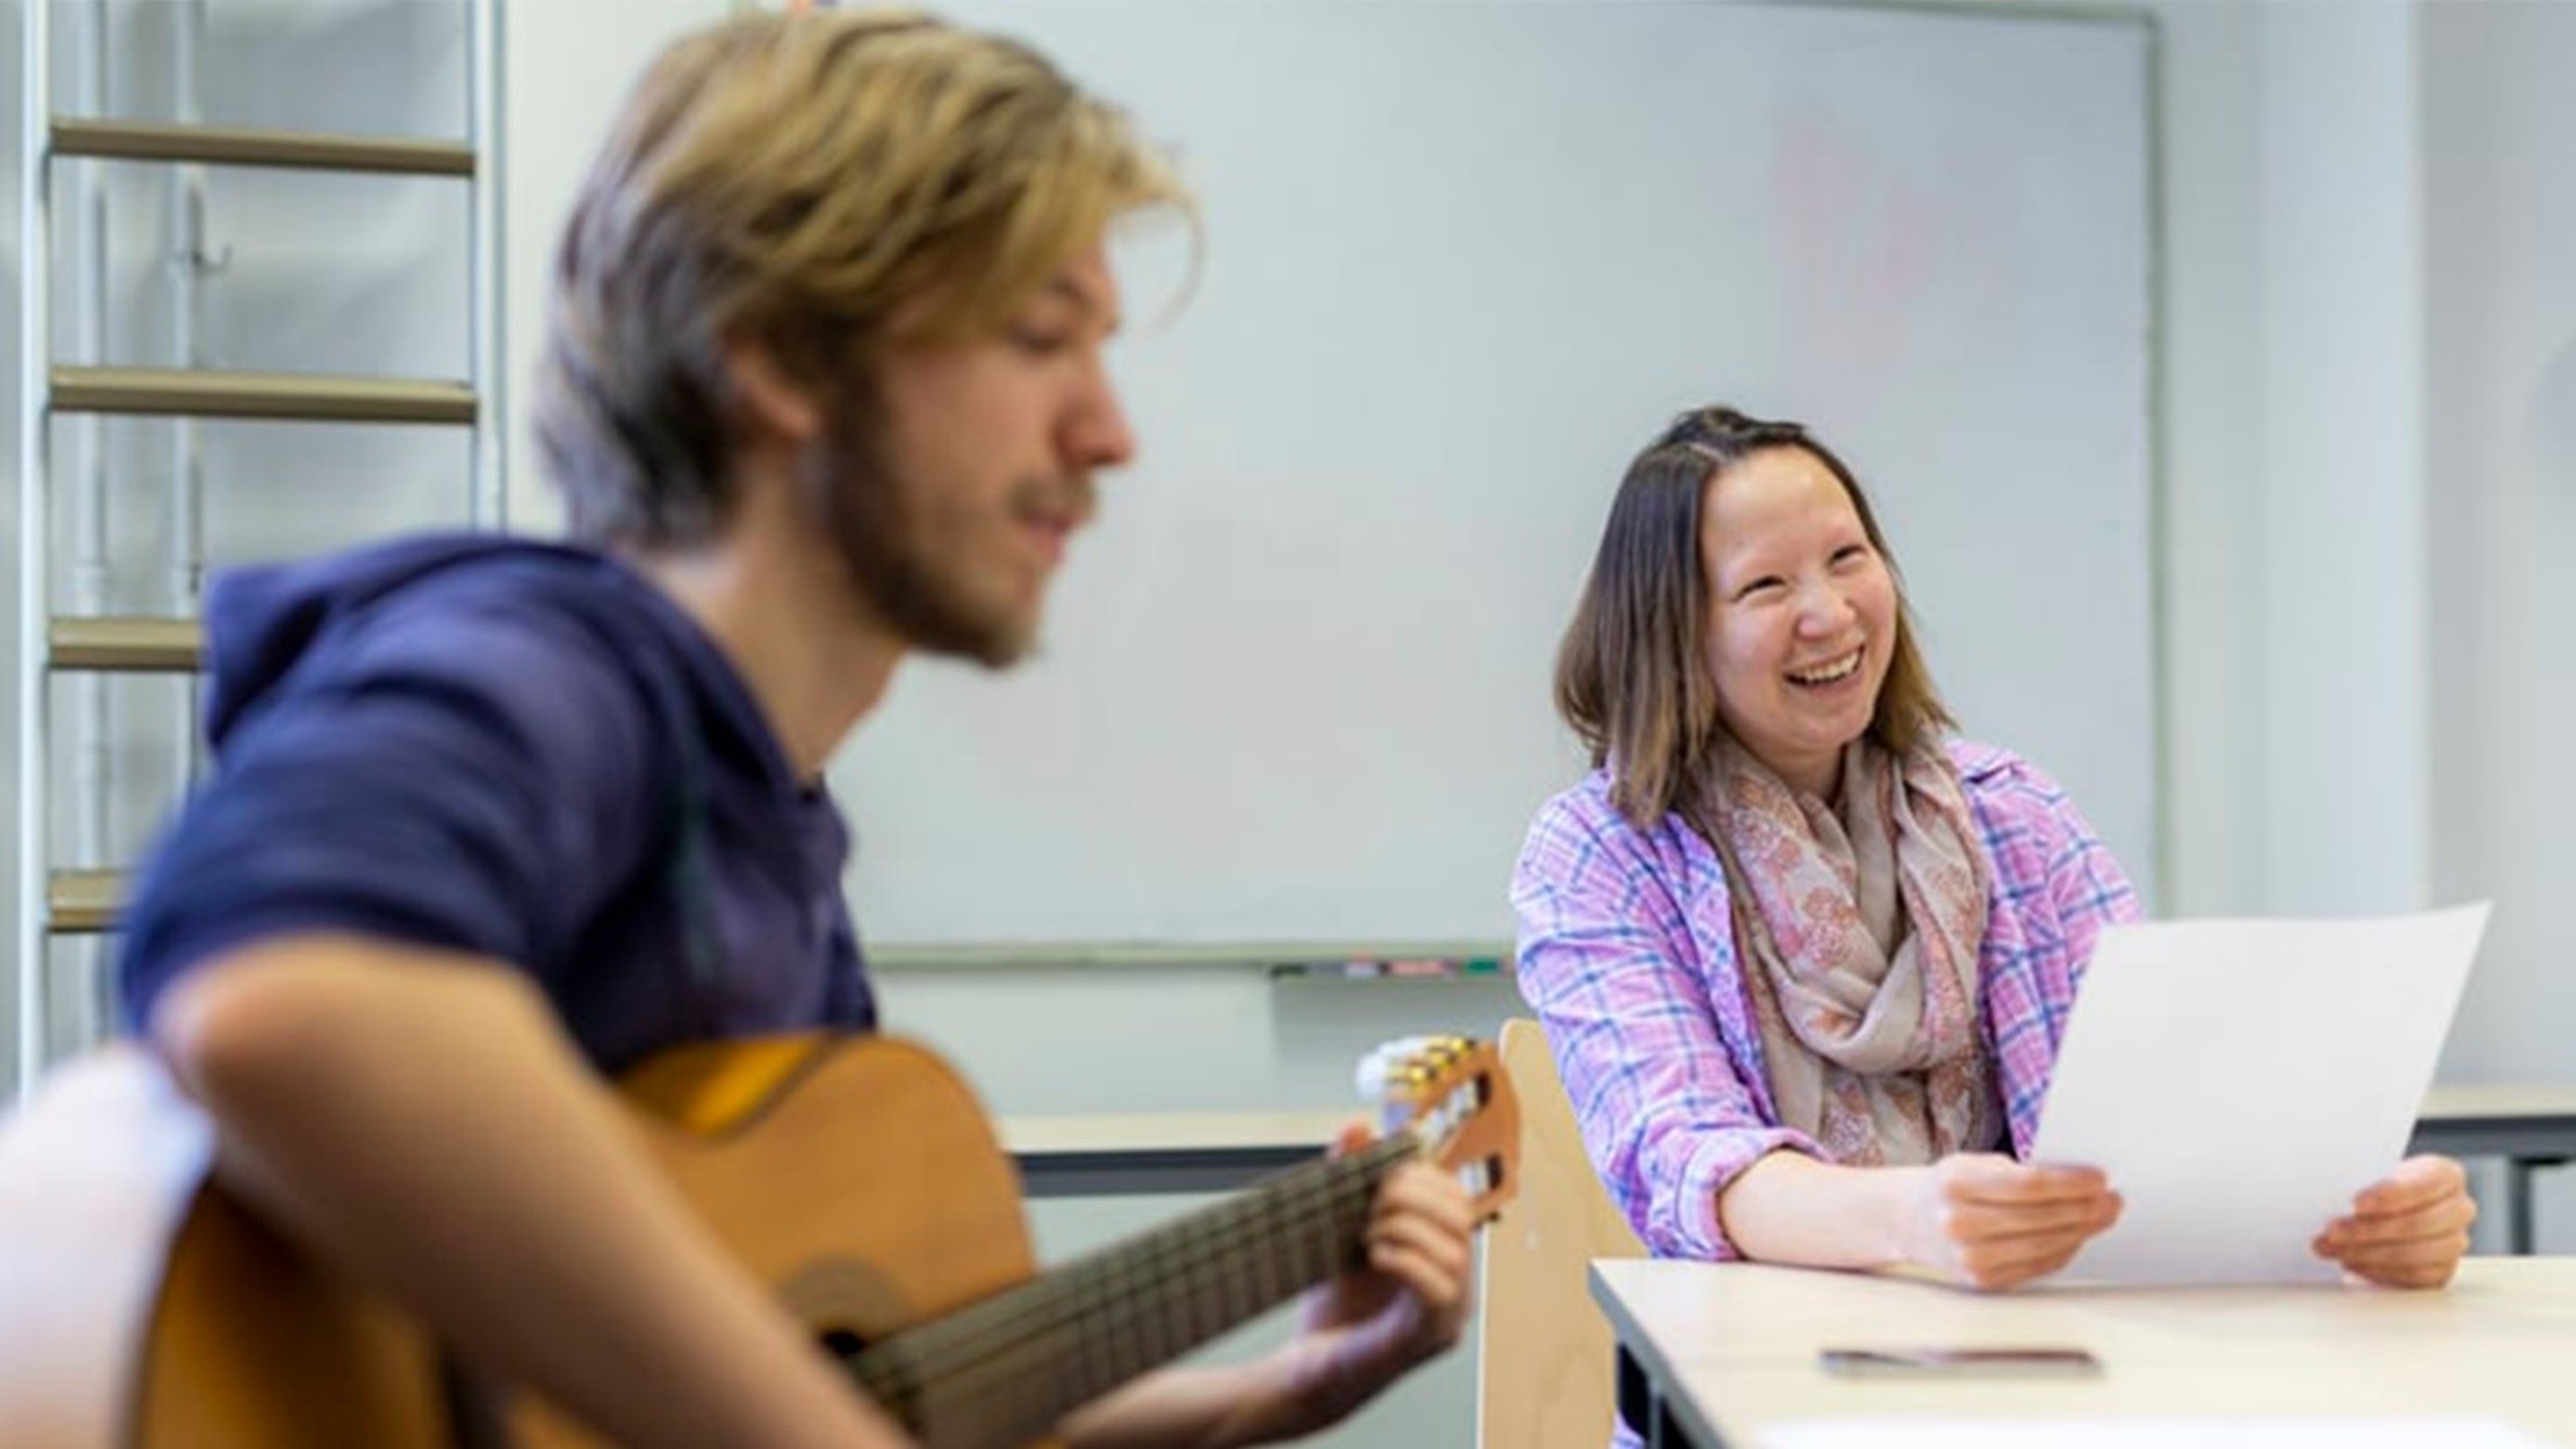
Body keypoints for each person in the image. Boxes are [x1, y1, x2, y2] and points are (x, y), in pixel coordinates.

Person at [113, 11, 1471, 1447]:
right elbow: (280, 992)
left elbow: (883, 1406)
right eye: (1035, 338)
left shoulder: (767, 823)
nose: (1108, 433)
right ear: (772, 357)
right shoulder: (558, 671)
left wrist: (1286, 1391)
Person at [1511, 404, 2475, 1294]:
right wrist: (1910, 1219)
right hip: (1755, 1381)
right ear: (1670, 634)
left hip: (2036, 1360)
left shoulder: (2009, 814)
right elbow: (1683, 1162)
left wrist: (2363, 1216)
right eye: (1764, 585)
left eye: (1846, 557)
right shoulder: (1600, 855)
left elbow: (2157, 1117)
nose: (1830, 614)